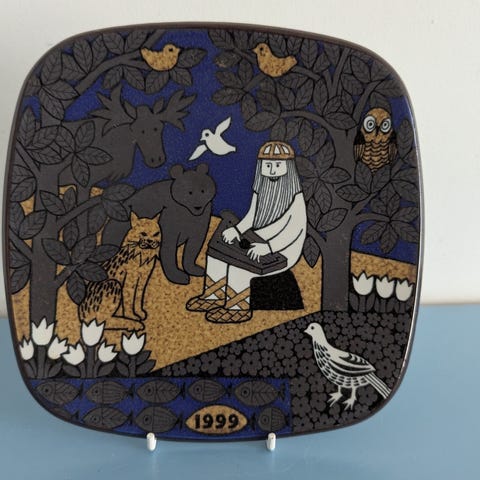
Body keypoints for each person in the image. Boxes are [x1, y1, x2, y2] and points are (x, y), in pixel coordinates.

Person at [186, 141, 307, 323]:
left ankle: (237, 308)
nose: (272, 171)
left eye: (277, 165)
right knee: (216, 253)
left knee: (239, 265)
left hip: (283, 250)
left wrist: (268, 248)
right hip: (257, 238)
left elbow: (294, 231)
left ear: (288, 168)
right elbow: (251, 216)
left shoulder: (296, 199)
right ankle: (214, 296)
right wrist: (236, 230)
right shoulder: (261, 191)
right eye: (268, 166)